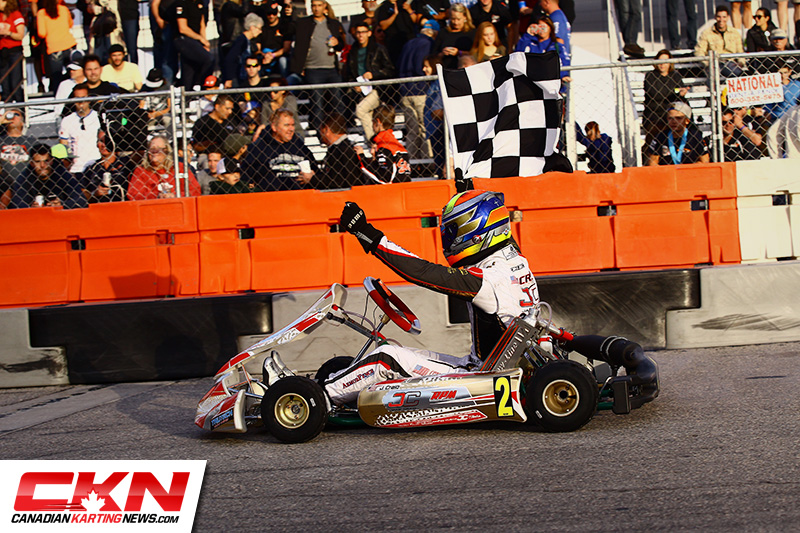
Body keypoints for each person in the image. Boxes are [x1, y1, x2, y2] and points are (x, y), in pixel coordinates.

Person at [320, 192, 541, 405]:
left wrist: (367, 234)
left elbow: (422, 272)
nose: (449, 238)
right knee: (367, 360)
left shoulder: (486, 281)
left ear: (476, 232)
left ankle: (317, 400)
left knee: (386, 358)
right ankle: (335, 388)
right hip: (498, 369)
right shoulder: (515, 260)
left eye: (454, 230)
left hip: (482, 376)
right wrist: (467, 190)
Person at [288, 0, 346, 131]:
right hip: (312, 68)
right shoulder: (303, 23)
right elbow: (288, 30)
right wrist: (288, 14)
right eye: (313, 5)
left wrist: (337, 42)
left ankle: (340, 128)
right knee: (316, 103)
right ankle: (318, 130)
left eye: (319, 5)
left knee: (338, 101)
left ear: (325, 6)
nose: (316, 8)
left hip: (332, 68)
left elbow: (342, 45)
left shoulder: (333, 23)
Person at [241, 108, 319, 191]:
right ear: (274, 127)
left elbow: (317, 173)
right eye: (286, 125)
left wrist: (313, 177)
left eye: (292, 125)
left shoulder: (300, 146)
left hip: (300, 196)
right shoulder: (259, 148)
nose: (291, 129)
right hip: (272, 196)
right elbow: (246, 176)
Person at [343, 22, 395, 142]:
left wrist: (374, 74)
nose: (361, 35)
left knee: (361, 110)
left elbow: (390, 70)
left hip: (377, 89)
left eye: (363, 32)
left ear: (369, 33)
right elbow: (349, 73)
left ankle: (374, 140)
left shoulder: (379, 49)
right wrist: (355, 85)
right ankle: (375, 144)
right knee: (370, 118)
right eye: (358, 32)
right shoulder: (353, 51)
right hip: (360, 91)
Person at [397, 19, 437, 161]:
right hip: (420, 90)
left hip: (405, 90)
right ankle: (428, 160)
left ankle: (412, 160)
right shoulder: (427, 44)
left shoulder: (408, 44)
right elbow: (420, 66)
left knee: (412, 130)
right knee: (425, 126)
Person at [10, 142, 87, 209]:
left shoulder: (62, 174)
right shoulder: (25, 177)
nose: (42, 165)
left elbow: (81, 200)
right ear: (32, 163)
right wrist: (30, 208)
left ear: (51, 161)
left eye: (46, 161)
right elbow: (17, 204)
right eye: (38, 162)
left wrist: (61, 204)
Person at [128, 135, 200, 199]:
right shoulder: (141, 171)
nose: (155, 151)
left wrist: (175, 195)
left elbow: (195, 190)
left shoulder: (179, 167)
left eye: (159, 148)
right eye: (152, 149)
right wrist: (157, 196)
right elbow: (133, 194)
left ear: (166, 151)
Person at [357, 104, 411, 184]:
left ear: (378, 122)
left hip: (392, 190)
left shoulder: (384, 145)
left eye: (373, 122)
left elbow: (385, 178)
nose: (372, 126)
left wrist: (362, 157)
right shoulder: (397, 144)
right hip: (404, 188)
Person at [643, 50, 688, 142]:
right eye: (660, 61)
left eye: (665, 61)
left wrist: (681, 92)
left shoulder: (675, 75)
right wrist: (676, 91)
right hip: (655, 115)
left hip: (673, 113)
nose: (662, 64)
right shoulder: (650, 76)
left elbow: (680, 92)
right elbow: (656, 94)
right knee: (657, 133)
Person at [59, 83, 102, 179]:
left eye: (83, 98)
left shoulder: (98, 117)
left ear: (89, 99)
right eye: (77, 99)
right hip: (76, 169)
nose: (81, 102)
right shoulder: (67, 120)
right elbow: (63, 145)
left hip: (96, 164)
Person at [313, 111, 365, 189]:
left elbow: (339, 181)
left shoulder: (342, 150)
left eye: (321, 130)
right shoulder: (342, 147)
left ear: (326, 129)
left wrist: (313, 179)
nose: (320, 134)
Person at [647, 101, 709, 166]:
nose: (674, 121)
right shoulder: (660, 137)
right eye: (670, 118)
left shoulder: (695, 136)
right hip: (667, 171)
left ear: (687, 120)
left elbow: (705, 161)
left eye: (678, 118)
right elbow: (652, 163)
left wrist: (687, 169)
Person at [83, 128, 136, 202]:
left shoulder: (127, 163)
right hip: (100, 206)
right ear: (97, 144)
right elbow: (82, 193)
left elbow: (140, 152)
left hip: (123, 205)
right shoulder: (92, 167)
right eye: (101, 141)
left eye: (108, 141)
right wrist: (94, 194)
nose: (104, 145)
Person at [36, 0, 77, 92]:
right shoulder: (64, 9)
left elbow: (42, 33)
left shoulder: (41, 13)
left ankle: (59, 97)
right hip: (69, 44)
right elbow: (70, 24)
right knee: (73, 73)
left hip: (54, 48)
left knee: (56, 77)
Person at [694, 5, 744, 78]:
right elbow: (699, 51)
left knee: (738, 71)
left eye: (724, 17)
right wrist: (707, 64)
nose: (721, 20)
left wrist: (741, 62)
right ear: (715, 17)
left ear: (728, 17)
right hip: (714, 64)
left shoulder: (734, 32)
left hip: (731, 63)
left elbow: (740, 51)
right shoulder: (706, 33)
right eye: (719, 17)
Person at [174, 0, 214, 88]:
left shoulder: (199, 3)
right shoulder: (182, 3)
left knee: (189, 71)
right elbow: (183, 28)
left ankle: (190, 91)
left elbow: (202, 24)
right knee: (208, 59)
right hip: (183, 39)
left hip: (196, 41)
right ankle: (203, 86)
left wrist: (204, 42)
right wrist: (200, 38)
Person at [0, 107, 34, 207]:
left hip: (25, 185)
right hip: (3, 185)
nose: (13, 117)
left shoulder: (31, 141)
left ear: (22, 122)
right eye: (10, 114)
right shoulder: (1, 140)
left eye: (16, 115)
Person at [223, 12, 263, 87]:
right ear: (252, 27)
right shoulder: (241, 41)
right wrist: (229, 78)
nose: (260, 32)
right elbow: (230, 58)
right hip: (236, 78)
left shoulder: (248, 41)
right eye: (259, 29)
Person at [374, 0, 417, 66]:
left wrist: (409, 10)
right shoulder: (384, 7)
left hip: (410, 39)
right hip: (393, 43)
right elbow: (383, 26)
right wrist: (394, 15)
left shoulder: (406, 4)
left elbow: (417, 21)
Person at [434, 4, 476, 70]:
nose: (455, 22)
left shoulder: (472, 33)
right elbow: (434, 54)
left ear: (465, 17)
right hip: (446, 69)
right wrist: (443, 53)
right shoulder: (443, 32)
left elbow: (476, 53)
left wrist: (459, 53)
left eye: (458, 19)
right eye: (453, 19)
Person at [0, 0, 25, 103]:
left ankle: (20, 108)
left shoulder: (16, 15)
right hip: (2, 53)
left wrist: (8, 32)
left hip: (15, 52)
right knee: (5, 85)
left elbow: (20, 35)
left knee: (15, 84)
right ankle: (8, 109)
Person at [423, 54, 444, 176]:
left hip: (439, 128)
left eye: (427, 66)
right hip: (432, 129)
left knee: (441, 162)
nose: (424, 69)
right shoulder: (432, 84)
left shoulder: (439, 82)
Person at [257, 3, 291, 78]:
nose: (271, 16)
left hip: (279, 56)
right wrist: (265, 55)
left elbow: (286, 48)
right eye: (269, 14)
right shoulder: (262, 28)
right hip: (265, 56)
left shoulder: (284, 26)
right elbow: (257, 48)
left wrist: (272, 55)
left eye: (274, 13)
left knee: (283, 61)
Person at [539, 0, 571, 66]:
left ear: (546, 2)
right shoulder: (558, 15)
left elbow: (559, 40)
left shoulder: (556, 18)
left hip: (557, 62)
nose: (540, 4)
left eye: (540, 1)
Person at [54, 50, 85, 117]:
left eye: (75, 70)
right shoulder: (64, 85)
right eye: (70, 69)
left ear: (83, 70)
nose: (71, 72)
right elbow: (58, 106)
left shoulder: (89, 83)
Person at [118, 0, 139, 65]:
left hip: (130, 15)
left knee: (132, 49)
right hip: (113, 17)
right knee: (119, 48)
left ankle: (133, 68)